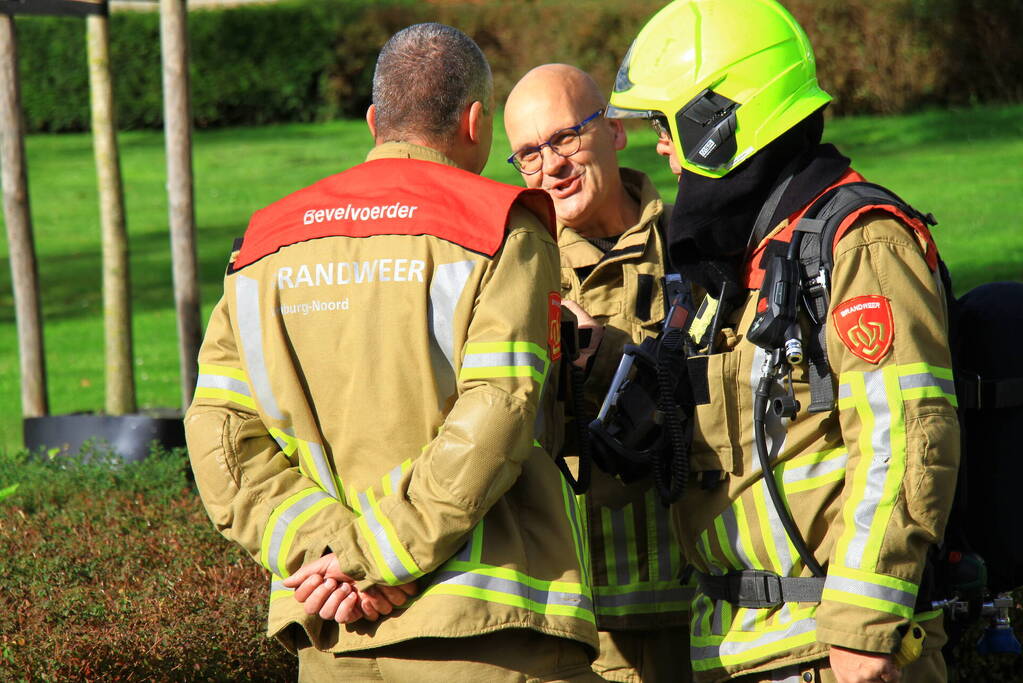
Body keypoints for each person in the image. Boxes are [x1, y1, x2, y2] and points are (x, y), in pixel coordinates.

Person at [184, 22, 602, 682]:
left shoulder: (265, 242)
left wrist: (323, 551)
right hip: (482, 632)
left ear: (375, 120)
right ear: (475, 121)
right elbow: (497, 413)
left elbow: (218, 431)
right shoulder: (500, 226)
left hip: (329, 634)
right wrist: (373, 556)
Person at [602, 1, 960, 682]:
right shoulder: (732, 260)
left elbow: (908, 433)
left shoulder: (858, 241)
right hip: (736, 650)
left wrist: (864, 622)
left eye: (665, 123)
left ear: (721, 118)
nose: (660, 147)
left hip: (834, 653)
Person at [504, 64, 693, 683]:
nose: (551, 167)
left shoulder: (695, 240)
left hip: (704, 602)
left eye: (564, 139)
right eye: (528, 156)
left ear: (615, 130)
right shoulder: (514, 273)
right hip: (584, 624)